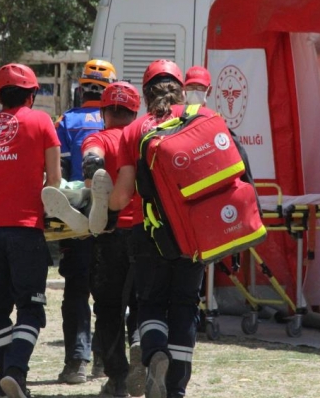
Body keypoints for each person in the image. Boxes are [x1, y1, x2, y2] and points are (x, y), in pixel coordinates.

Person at [106, 60, 205, 398]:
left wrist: (104, 206)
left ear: (145, 94)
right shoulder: (199, 119)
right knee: (185, 305)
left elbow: (121, 196)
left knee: (149, 303)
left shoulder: (134, 131)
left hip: (147, 232)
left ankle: (155, 351)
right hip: (193, 233)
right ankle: (175, 389)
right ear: (181, 88)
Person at [0, 63, 61, 398]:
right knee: (31, 307)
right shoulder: (41, 121)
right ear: (32, 94)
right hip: (24, 228)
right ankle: (15, 371)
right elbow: (54, 183)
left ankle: (11, 380)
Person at [55, 59, 117, 384]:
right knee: (108, 291)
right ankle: (104, 363)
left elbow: (60, 172)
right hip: (110, 218)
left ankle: (76, 363)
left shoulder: (67, 120)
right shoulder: (114, 121)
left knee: (76, 288)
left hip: (76, 216)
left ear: (82, 88)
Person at [83, 82, 142, 397]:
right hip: (146, 233)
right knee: (144, 301)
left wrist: (93, 167)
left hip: (110, 232)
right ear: (135, 111)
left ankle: (117, 378)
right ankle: (141, 345)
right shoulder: (143, 137)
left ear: (104, 111)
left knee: (108, 307)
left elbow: (91, 157)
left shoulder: (99, 137)